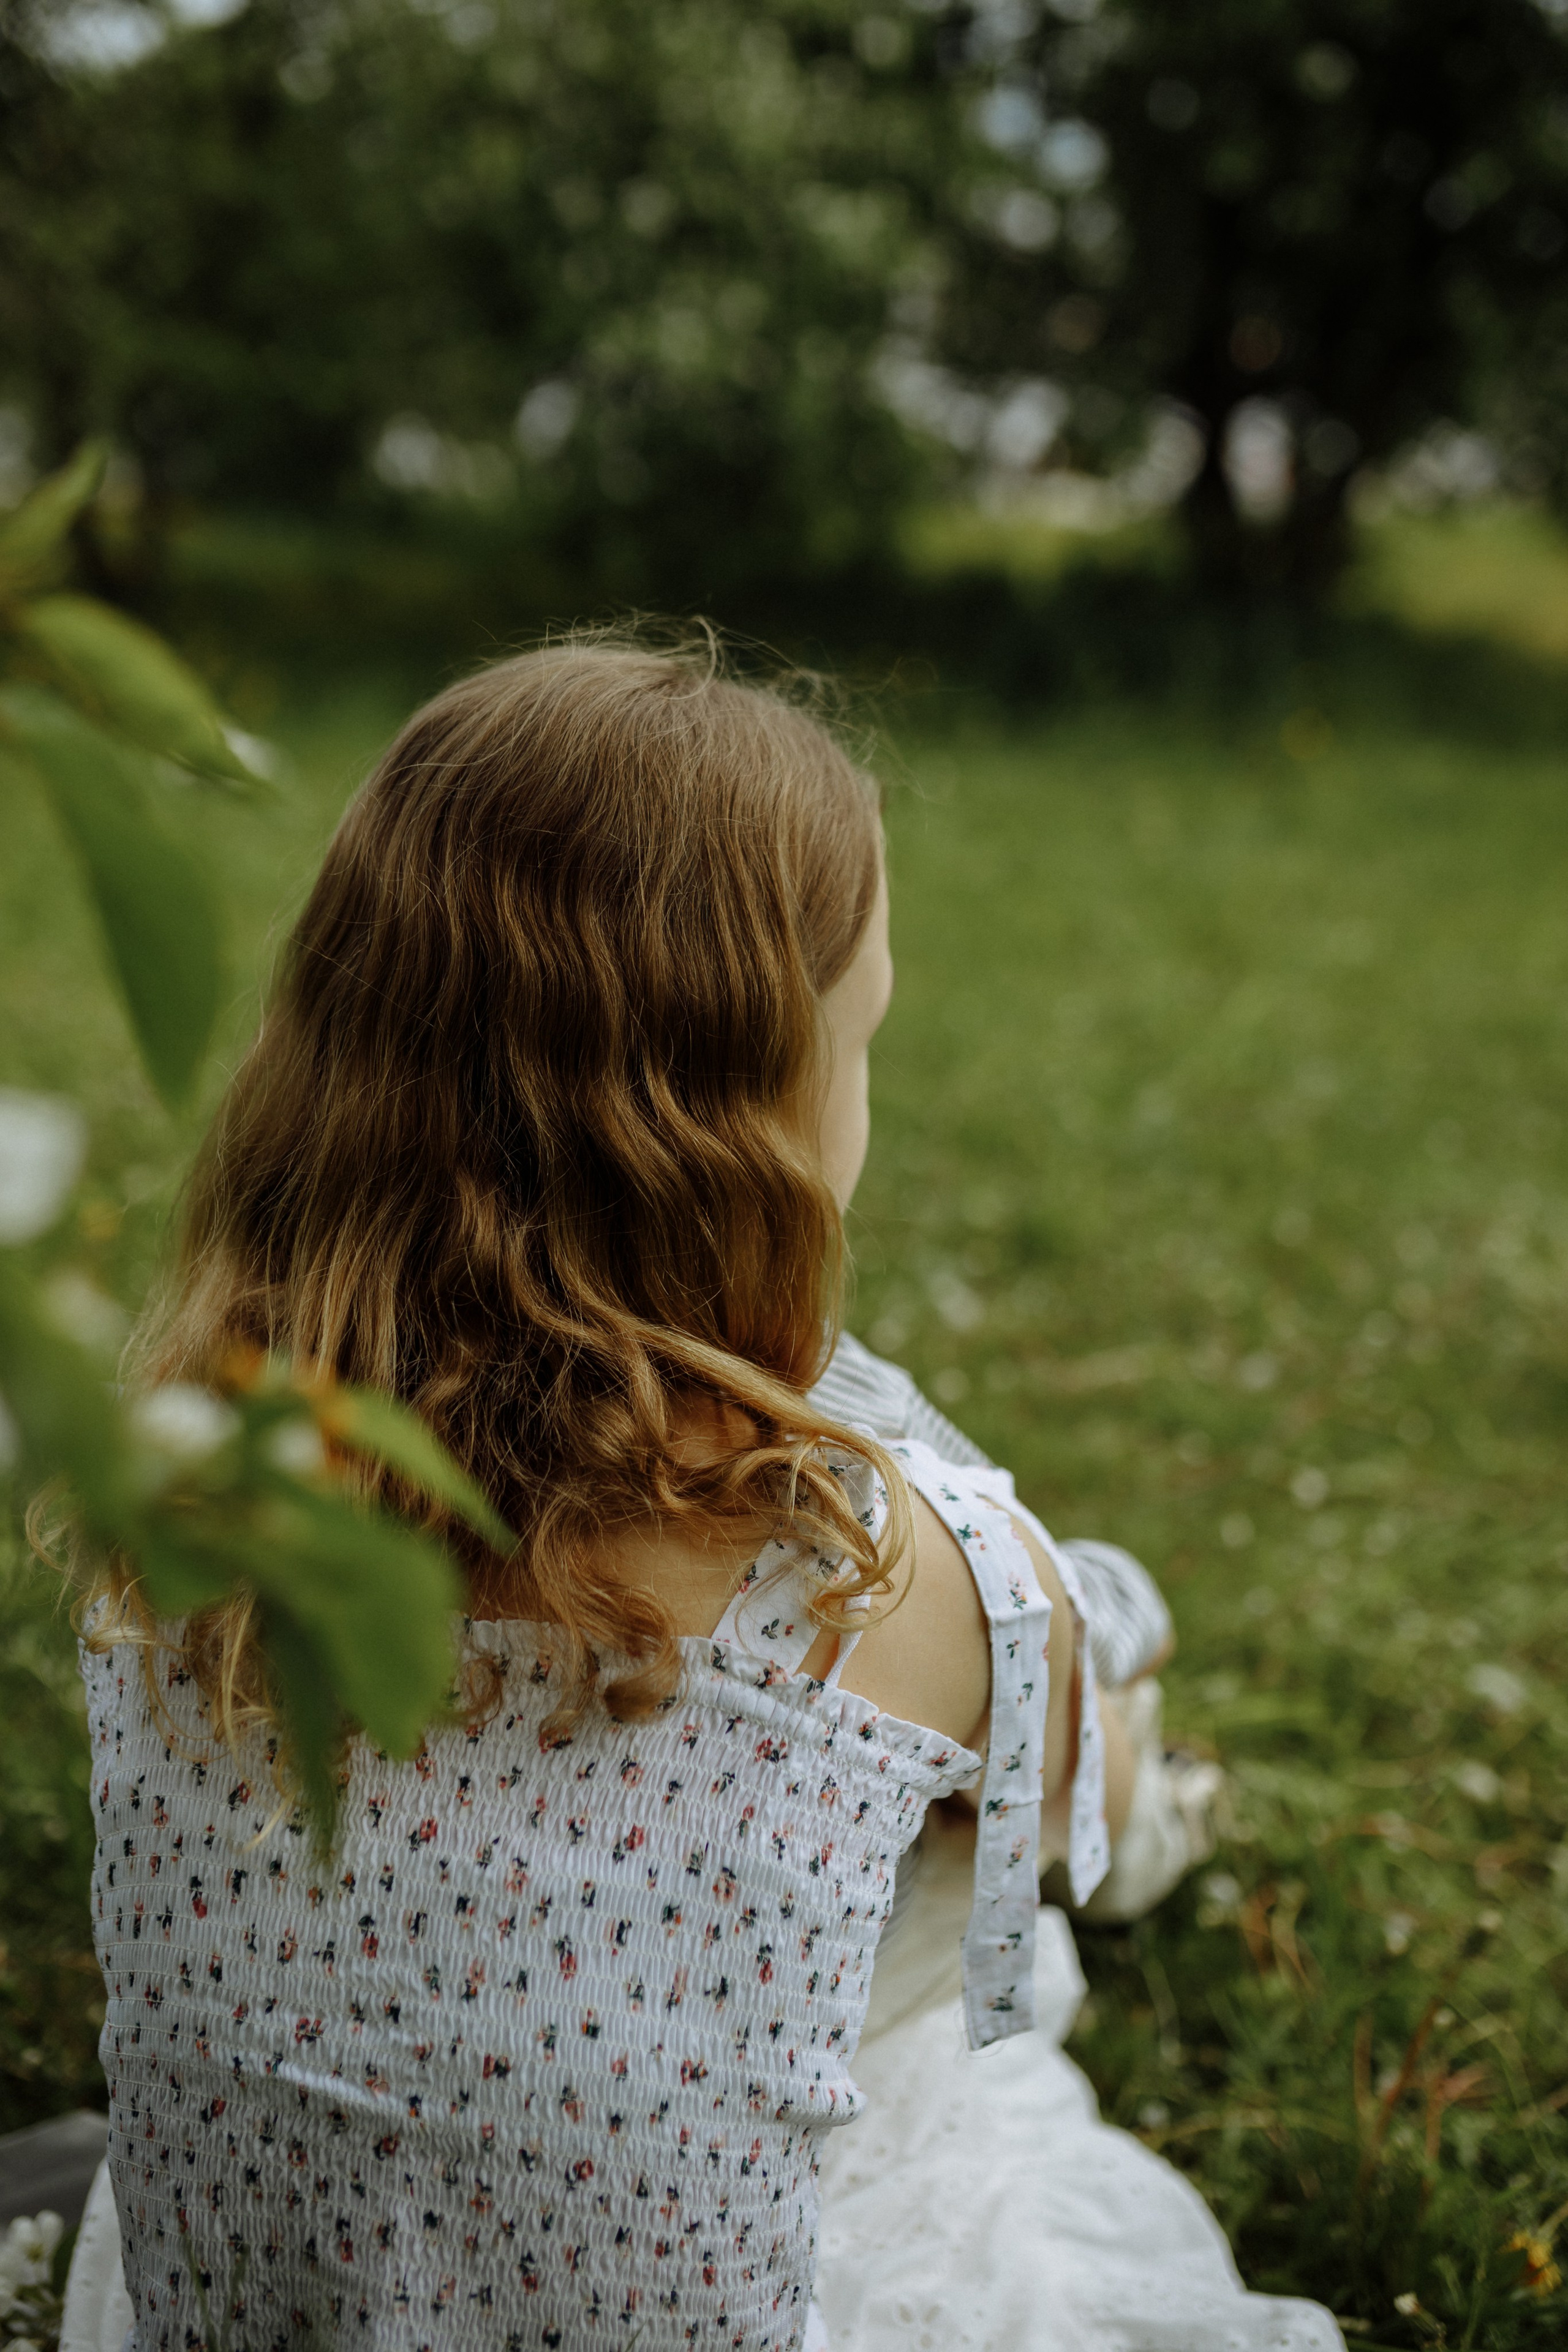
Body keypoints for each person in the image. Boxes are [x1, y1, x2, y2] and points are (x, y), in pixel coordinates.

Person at [64, 639, 1341, 2351]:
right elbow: (1026, 1823)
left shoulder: (171, 1492)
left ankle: (1100, 1656)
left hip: (285, 2297)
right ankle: (1133, 1722)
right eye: (860, 1038)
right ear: (739, 1122)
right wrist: (1035, 1660)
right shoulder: (886, 1592)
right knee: (1029, 1713)